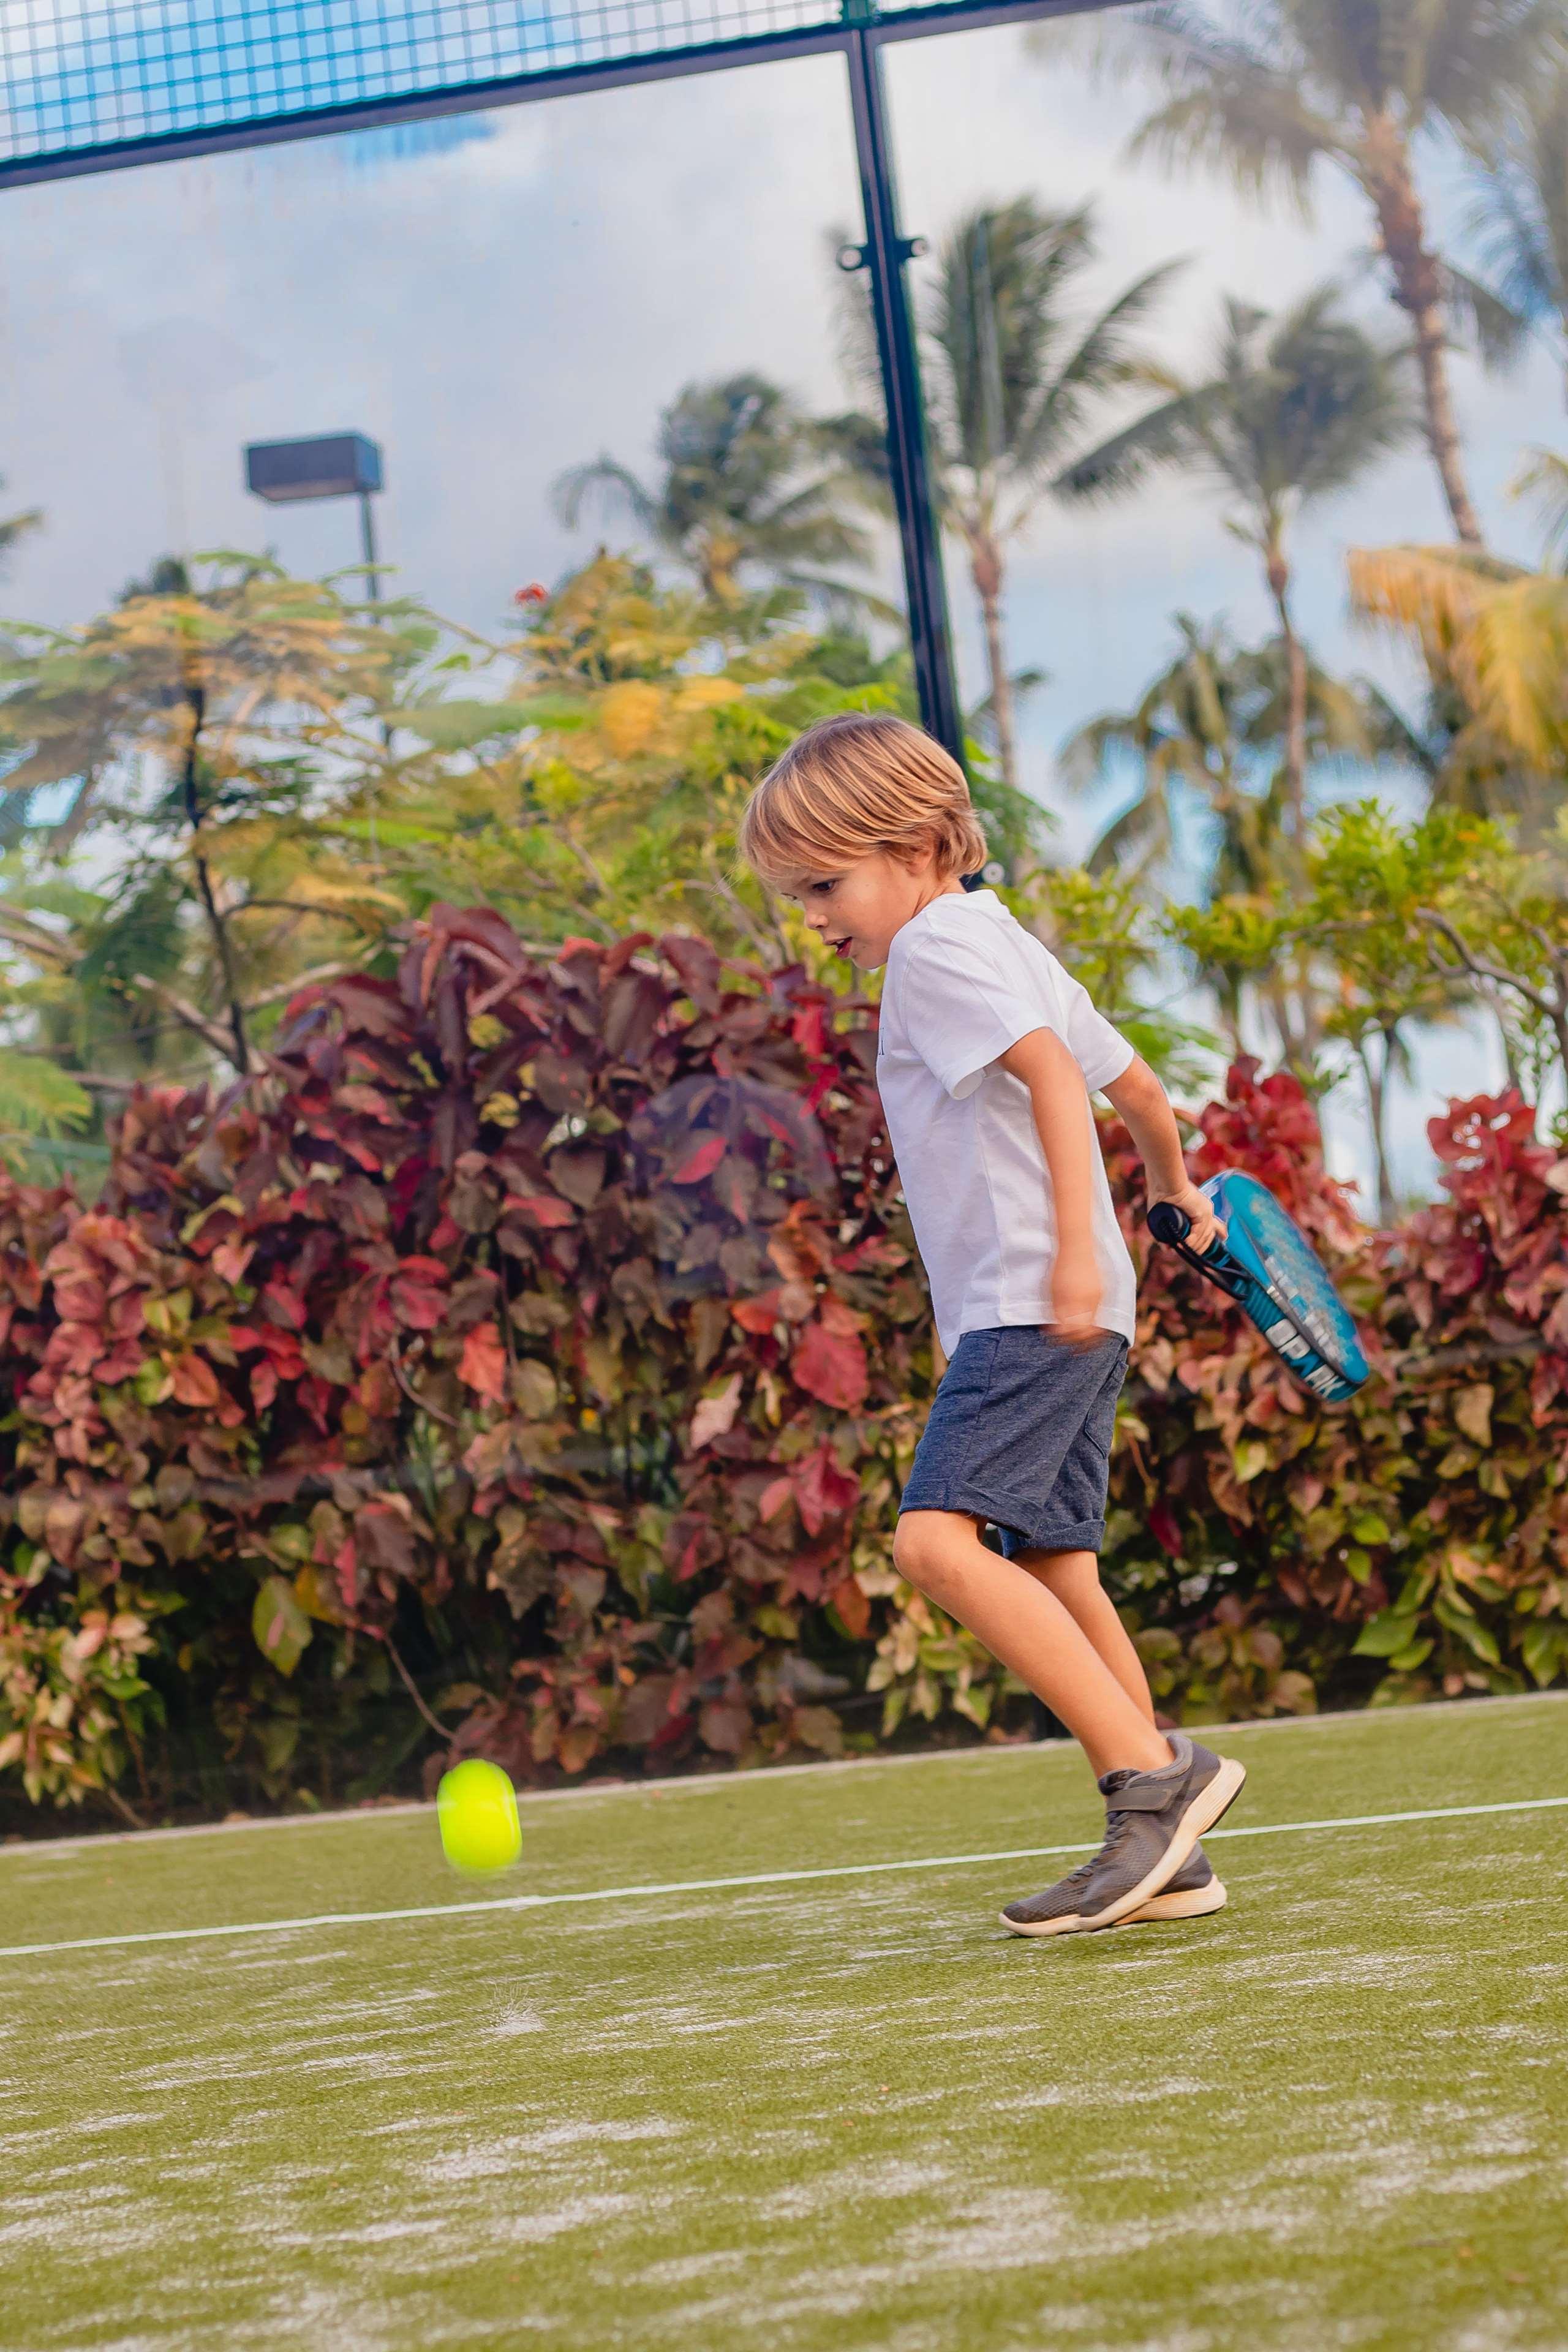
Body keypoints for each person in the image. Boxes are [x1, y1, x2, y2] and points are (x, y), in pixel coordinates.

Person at [738, 711, 1246, 1937]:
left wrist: (1068, 1252)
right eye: (797, 894)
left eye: (825, 884)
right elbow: (1135, 1086)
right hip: (1063, 1304)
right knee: (1055, 1563)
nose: (813, 918)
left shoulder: (931, 952)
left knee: (933, 1545)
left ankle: (1154, 1783)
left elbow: (1059, 1081)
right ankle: (1167, 1858)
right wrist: (1173, 1192)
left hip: (1036, 1298)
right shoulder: (998, 936)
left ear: (915, 845)